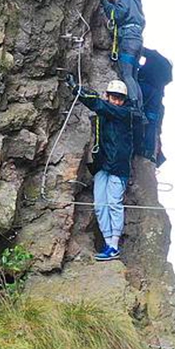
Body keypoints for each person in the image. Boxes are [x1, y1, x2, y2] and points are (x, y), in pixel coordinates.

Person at [68, 77, 135, 261]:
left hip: (118, 167)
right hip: (103, 165)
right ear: (108, 95)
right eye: (114, 97)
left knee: (114, 204)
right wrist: (79, 88)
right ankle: (108, 243)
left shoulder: (126, 113)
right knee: (100, 205)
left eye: (120, 98)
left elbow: (99, 105)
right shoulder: (105, 110)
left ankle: (114, 245)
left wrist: (77, 91)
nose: (117, 101)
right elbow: (98, 102)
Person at [100, 0, 145, 107]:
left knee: (126, 74)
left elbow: (118, 14)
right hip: (137, 41)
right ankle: (139, 107)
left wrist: (107, 5)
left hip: (128, 41)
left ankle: (133, 104)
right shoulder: (137, 3)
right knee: (133, 77)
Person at [135, 47, 171, 163]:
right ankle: (149, 151)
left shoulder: (154, 56)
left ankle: (137, 144)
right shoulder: (167, 71)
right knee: (151, 122)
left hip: (144, 86)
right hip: (156, 96)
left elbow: (140, 50)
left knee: (136, 113)